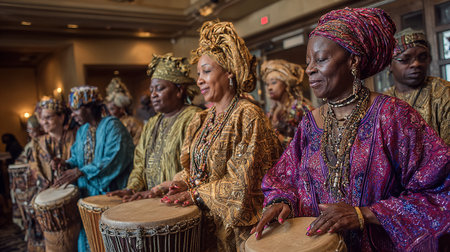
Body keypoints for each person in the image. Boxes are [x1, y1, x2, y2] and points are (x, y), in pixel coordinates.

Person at [252, 7, 449, 252]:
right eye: (308, 62)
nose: (310, 69)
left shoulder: (393, 116)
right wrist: (283, 203)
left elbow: (440, 191)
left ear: (353, 60)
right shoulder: (309, 124)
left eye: (321, 60)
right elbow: (284, 179)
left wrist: (363, 214)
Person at [158, 21, 282, 251]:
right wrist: (180, 182)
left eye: (207, 71)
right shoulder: (203, 119)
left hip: (236, 233)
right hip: (203, 226)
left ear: (229, 73)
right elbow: (194, 168)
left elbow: (242, 185)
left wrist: (194, 193)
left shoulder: (248, 115)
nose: (200, 80)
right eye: (198, 74)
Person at [107, 53, 202, 201]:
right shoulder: (152, 123)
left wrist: (162, 189)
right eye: (151, 90)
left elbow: (195, 168)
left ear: (179, 90)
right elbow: (139, 162)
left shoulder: (194, 117)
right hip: (150, 201)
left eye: (160, 88)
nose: (153, 95)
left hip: (180, 202)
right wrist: (132, 189)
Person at [52, 86, 134, 252]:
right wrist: (66, 163)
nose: (73, 115)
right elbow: (77, 157)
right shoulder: (82, 131)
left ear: (89, 107)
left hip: (109, 192)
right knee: (89, 238)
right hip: (87, 194)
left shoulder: (112, 125)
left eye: (75, 110)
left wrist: (81, 171)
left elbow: (115, 157)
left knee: (109, 240)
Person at [385, 28, 450, 144]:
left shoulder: (444, 93)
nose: (416, 64)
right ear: (389, 64)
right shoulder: (383, 101)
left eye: (422, 57)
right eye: (405, 59)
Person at [261, 59, 313, 147]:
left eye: (274, 82)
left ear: (286, 83)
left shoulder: (301, 109)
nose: (269, 87)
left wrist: (282, 139)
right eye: (267, 84)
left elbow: (312, 143)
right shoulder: (271, 112)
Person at [31, 96, 76, 189]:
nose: (44, 122)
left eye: (48, 117)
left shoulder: (75, 136)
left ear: (61, 117)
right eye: (42, 119)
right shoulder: (38, 143)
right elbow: (36, 168)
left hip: (75, 187)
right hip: (50, 190)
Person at [105, 76, 143, 145]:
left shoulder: (133, 123)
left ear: (121, 109)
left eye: (112, 109)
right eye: (107, 110)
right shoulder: (106, 124)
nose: (108, 113)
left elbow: (139, 145)